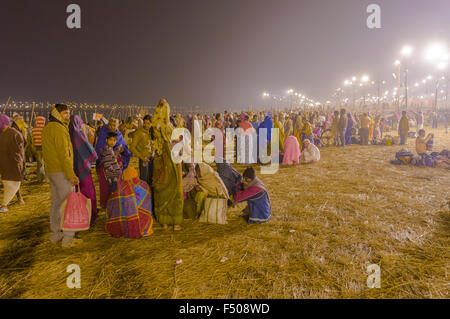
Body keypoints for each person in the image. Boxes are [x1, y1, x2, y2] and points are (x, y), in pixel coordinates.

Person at [42, 104, 79, 246]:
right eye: (64, 113)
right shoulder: (59, 129)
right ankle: (68, 238)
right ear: (57, 114)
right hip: (61, 172)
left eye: (69, 113)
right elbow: (64, 155)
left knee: (56, 204)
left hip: (51, 171)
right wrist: (71, 175)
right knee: (68, 204)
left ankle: (55, 234)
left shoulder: (47, 128)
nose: (67, 116)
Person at [152, 99, 184, 231]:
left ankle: (164, 222)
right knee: (175, 190)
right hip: (172, 162)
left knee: (162, 190)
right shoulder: (168, 127)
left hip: (160, 161)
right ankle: (175, 223)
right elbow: (173, 144)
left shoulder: (156, 127)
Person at [105, 167, 153, 238]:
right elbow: (148, 205)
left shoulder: (119, 190)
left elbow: (110, 205)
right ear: (136, 174)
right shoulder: (145, 186)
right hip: (142, 224)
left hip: (121, 226)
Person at [95, 118, 132, 208]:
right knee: (105, 186)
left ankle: (115, 205)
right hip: (105, 165)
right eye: (110, 124)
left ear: (117, 125)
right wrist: (111, 152)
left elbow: (125, 149)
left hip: (117, 165)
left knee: (116, 186)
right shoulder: (103, 133)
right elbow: (99, 149)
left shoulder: (119, 135)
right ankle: (105, 205)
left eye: (114, 125)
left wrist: (122, 150)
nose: (112, 127)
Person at [69, 115, 98, 225]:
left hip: (72, 168)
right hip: (83, 168)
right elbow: (91, 152)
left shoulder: (68, 134)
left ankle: (79, 216)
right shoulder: (78, 134)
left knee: (76, 192)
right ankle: (91, 215)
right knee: (88, 192)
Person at [0, 114, 25, 213]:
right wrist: (19, 162)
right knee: (13, 183)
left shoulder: (8, 133)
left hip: (5, 163)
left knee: (9, 183)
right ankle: (4, 205)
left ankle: (6, 203)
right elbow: (19, 151)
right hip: (11, 163)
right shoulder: (14, 133)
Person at [129, 115, 153, 187]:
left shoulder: (150, 132)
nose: (146, 125)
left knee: (150, 179)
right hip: (144, 159)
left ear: (151, 124)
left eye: (148, 123)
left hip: (151, 158)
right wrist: (141, 157)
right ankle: (143, 197)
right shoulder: (139, 133)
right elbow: (132, 147)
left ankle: (149, 196)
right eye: (145, 123)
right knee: (144, 180)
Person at [31, 116, 47, 183]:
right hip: (45, 148)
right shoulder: (46, 129)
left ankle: (40, 178)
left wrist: (33, 148)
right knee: (46, 164)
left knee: (39, 163)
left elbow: (32, 140)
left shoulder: (33, 130)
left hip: (37, 148)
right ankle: (45, 178)